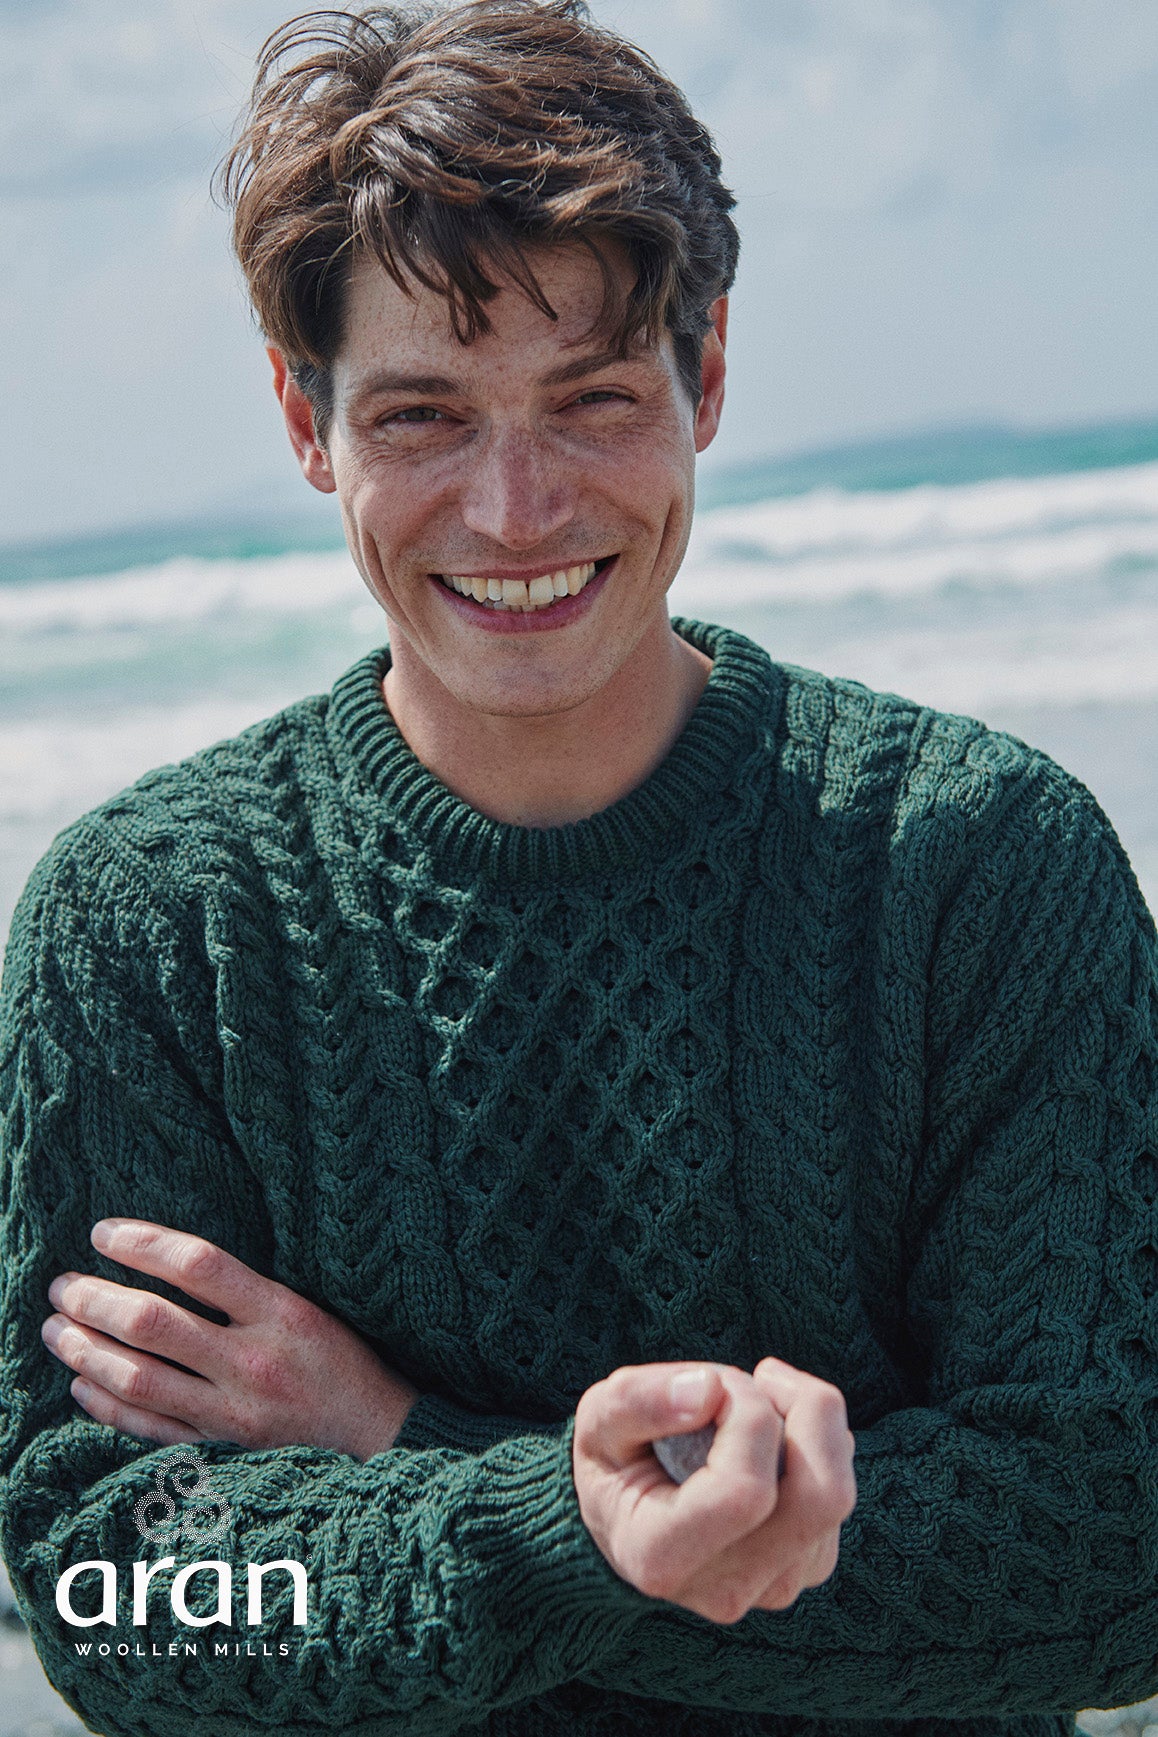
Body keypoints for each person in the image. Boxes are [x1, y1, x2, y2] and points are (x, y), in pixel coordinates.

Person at [1, 1, 1155, 1733]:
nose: (516, 508)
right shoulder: (153, 929)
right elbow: (116, 1586)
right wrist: (562, 1524)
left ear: (705, 375)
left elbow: (1111, 1547)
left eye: (591, 398)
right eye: (421, 418)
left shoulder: (975, 865)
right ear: (305, 420)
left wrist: (416, 1448)